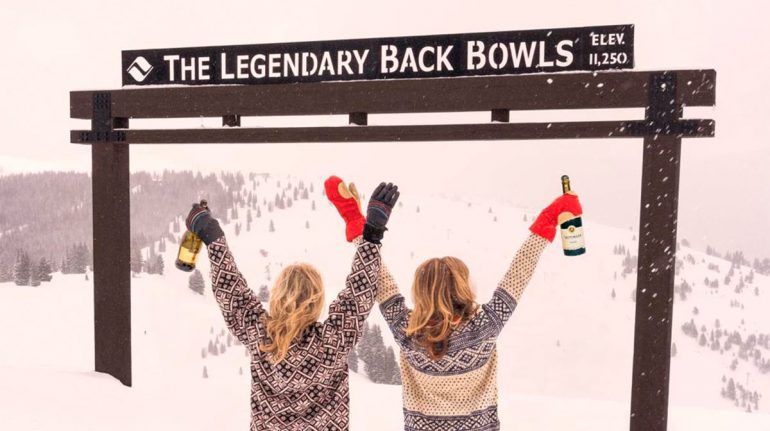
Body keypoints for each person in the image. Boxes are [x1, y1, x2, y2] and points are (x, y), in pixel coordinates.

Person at [325, 175, 582, 431]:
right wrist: (549, 218)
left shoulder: (408, 332)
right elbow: (519, 272)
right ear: (463, 288)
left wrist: (358, 224)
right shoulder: (484, 327)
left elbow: (380, 279)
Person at [185, 181, 400, 431]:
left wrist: (212, 236)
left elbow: (232, 292)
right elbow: (358, 293)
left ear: (277, 296)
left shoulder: (261, 338)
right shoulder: (332, 342)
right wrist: (372, 233)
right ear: (316, 301)